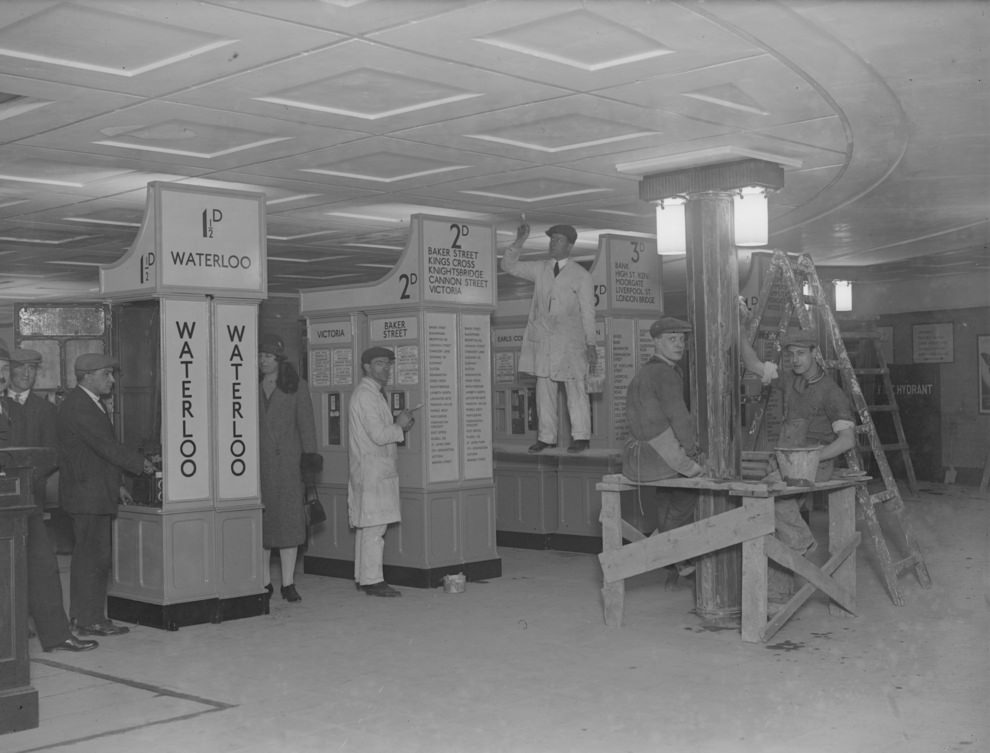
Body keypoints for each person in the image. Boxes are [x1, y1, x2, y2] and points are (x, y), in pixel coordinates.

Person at [740, 326, 856, 598]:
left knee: (772, 495)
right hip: (789, 461)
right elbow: (752, 364)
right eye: (791, 355)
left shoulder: (831, 392)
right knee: (767, 512)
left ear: (816, 354)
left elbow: (847, 440)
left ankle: (802, 542)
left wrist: (811, 458)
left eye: (801, 354)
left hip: (818, 464)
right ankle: (777, 596)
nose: (795, 360)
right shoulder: (790, 380)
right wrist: (739, 333)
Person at [0, 346, 97, 653]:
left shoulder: (44, 409)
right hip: (7, 502)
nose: (26, 374)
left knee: (43, 566)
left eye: (32, 369)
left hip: (28, 500)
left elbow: (52, 453)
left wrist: (27, 479)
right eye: (19, 369)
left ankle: (56, 635)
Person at [57, 353, 154, 637]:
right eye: (106, 374)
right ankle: (89, 620)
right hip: (87, 495)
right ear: (87, 376)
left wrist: (118, 485)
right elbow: (106, 447)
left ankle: (86, 617)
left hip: (93, 490)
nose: (111, 380)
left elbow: (97, 454)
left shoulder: (88, 403)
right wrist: (142, 464)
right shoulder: (80, 406)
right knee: (91, 559)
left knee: (93, 557)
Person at [500, 222, 597, 453]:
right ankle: (546, 436)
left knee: (575, 390)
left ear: (570, 245)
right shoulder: (540, 268)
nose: (553, 243)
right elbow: (508, 265)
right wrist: (519, 241)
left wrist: (591, 343)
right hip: (543, 340)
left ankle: (581, 436)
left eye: (558, 240)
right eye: (551, 239)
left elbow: (588, 312)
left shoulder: (581, 276)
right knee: (544, 390)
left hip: (570, 343)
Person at [621, 317, 706, 579]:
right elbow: (679, 416)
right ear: (656, 342)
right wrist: (693, 453)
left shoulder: (644, 372)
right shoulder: (665, 374)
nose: (679, 345)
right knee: (698, 485)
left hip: (639, 460)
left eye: (682, 339)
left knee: (666, 498)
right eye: (672, 339)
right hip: (661, 456)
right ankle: (675, 556)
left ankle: (674, 557)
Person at [258, 333, 321, 603]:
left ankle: (287, 582)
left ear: (280, 360)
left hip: (288, 466)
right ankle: (262, 582)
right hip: (257, 468)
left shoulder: (296, 386)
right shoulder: (246, 386)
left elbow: (307, 427)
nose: (263, 361)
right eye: (260, 356)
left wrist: (308, 465)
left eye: (269, 356)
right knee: (261, 527)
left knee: (289, 525)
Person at [347, 346, 414, 597]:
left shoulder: (372, 394)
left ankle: (364, 577)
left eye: (387, 363)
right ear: (366, 367)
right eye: (379, 363)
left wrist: (398, 424)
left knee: (369, 526)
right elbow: (378, 435)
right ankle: (373, 581)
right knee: (375, 527)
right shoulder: (365, 395)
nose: (385, 368)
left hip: (372, 469)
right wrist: (399, 425)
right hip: (372, 470)